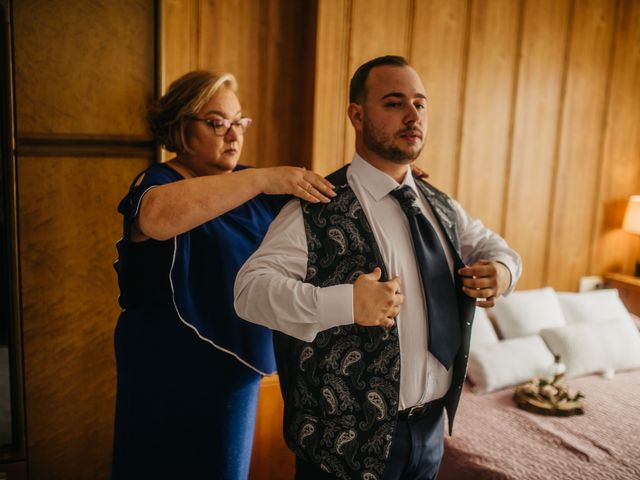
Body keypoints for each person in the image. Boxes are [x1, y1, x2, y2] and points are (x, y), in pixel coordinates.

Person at [234, 55, 522, 480]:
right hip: (340, 448)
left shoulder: (439, 205)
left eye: (420, 104)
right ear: (357, 114)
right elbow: (249, 292)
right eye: (393, 103)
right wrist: (346, 303)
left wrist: (504, 270)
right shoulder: (314, 208)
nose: (412, 116)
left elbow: (494, 245)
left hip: (429, 435)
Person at [112, 70, 337, 479]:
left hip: (233, 370)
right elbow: (156, 218)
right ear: (182, 126)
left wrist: (387, 185)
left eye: (239, 123)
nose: (233, 135)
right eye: (218, 123)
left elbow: (328, 208)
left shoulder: (257, 189)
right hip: (163, 369)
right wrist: (264, 177)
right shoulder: (158, 181)